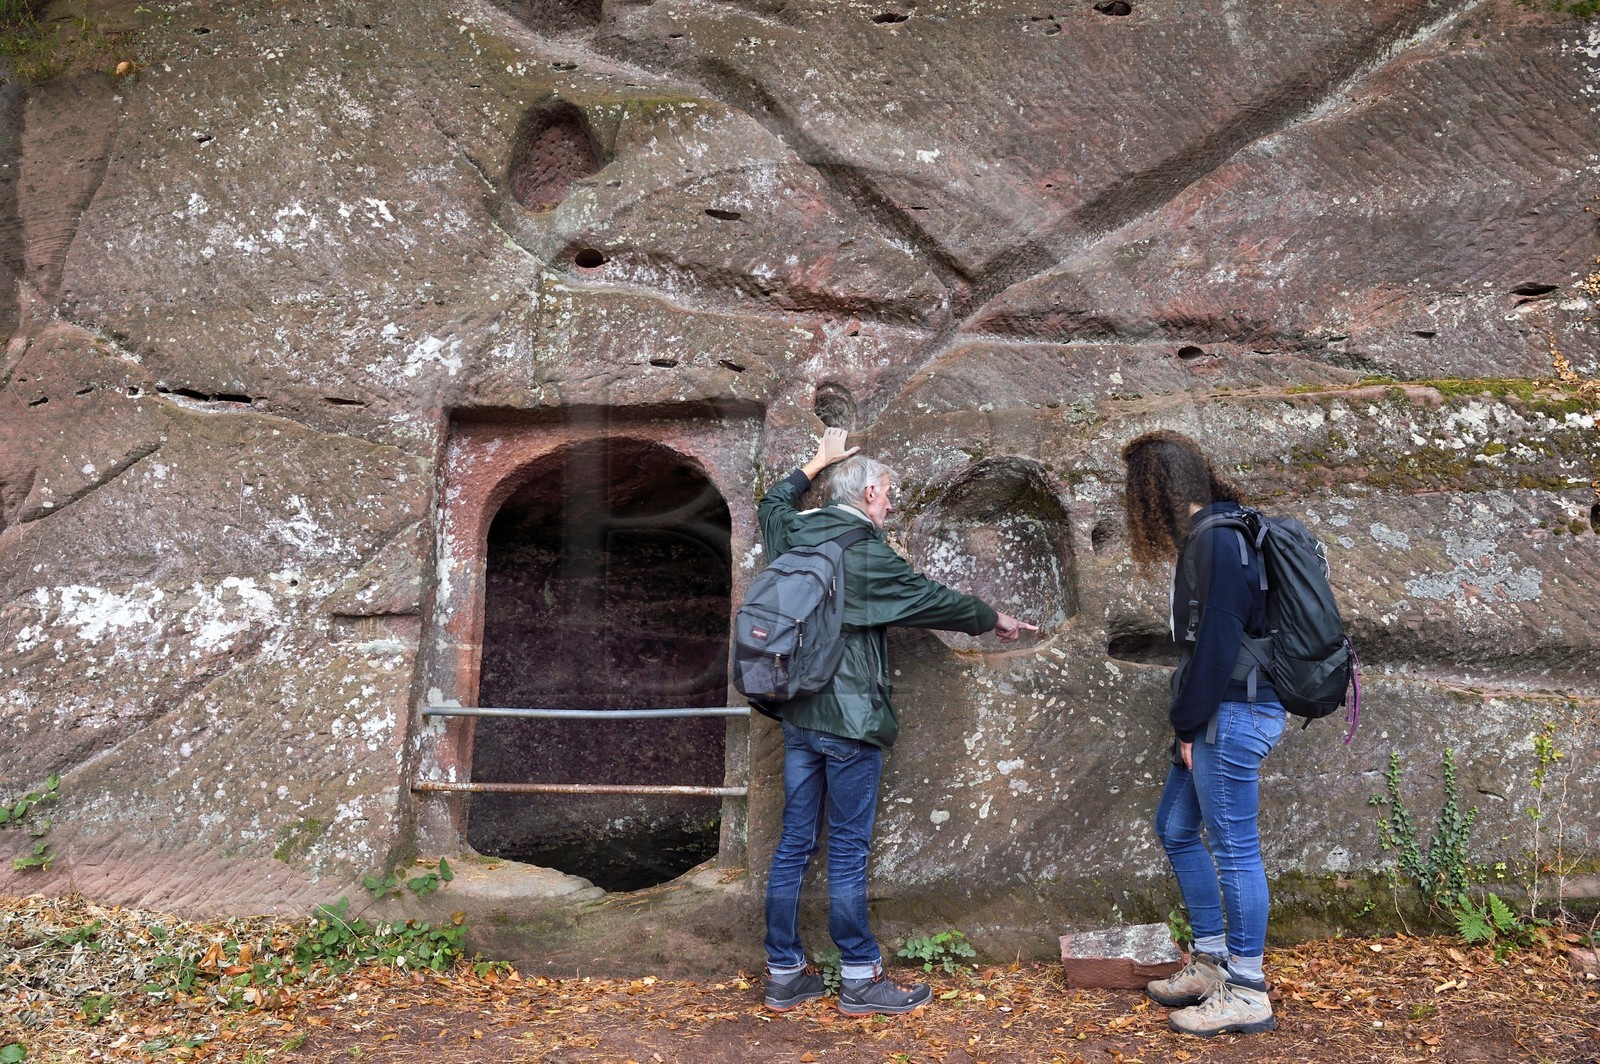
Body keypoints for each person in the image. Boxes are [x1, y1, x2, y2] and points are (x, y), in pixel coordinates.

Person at [759, 427, 1037, 1016]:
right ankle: (859, 976)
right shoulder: (865, 552)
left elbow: (772, 505)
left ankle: (784, 973)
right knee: (849, 849)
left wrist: (816, 462)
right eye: (887, 495)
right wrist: (995, 618)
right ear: (866, 495)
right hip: (851, 721)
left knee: (793, 845)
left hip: (798, 715)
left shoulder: (797, 534)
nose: (890, 505)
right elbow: (929, 598)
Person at [1121, 429, 1285, 1037]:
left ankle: (1247, 990)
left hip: (1233, 713)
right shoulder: (1223, 532)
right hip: (1223, 709)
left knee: (1236, 847)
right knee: (1175, 827)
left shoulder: (1217, 542)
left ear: (1153, 495)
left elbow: (1216, 647)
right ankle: (1213, 962)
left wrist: (1189, 726)